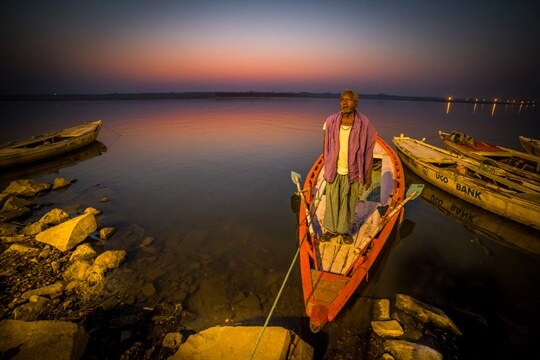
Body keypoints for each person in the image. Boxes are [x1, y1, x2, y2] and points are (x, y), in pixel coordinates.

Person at [321, 89, 376, 244]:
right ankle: (331, 230)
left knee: (349, 201)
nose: (344, 102)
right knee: (332, 200)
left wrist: (368, 175)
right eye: (342, 99)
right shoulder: (331, 121)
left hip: (354, 170)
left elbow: (369, 151)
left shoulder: (365, 123)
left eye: (348, 99)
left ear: (356, 103)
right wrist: (327, 164)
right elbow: (325, 146)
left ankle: (344, 231)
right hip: (334, 169)